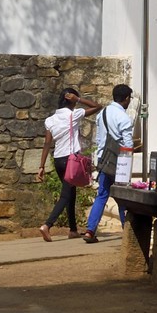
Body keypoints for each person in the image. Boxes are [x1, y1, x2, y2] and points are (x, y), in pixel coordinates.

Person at [36, 87, 100, 241]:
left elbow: (47, 143)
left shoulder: (50, 120)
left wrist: (41, 166)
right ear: (71, 100)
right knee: (66, 195)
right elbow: (97, 106)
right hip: (71, 160)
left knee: (71, 193)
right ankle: (47, 225)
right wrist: (78, 99)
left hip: (58, 160)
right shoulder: (74, 115)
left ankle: (72, 229)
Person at [83, 84, 137, 244]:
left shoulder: (103, 113)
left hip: (103, 159)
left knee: (102, 195)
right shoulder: (124, 118)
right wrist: (127, 166)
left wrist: (98, 159)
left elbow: (99, 139)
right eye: (129, 98)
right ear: (126, 98)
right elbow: (128, 145)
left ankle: (90, 230)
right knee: (122, 198)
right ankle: (128, 233)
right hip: (119, 163)